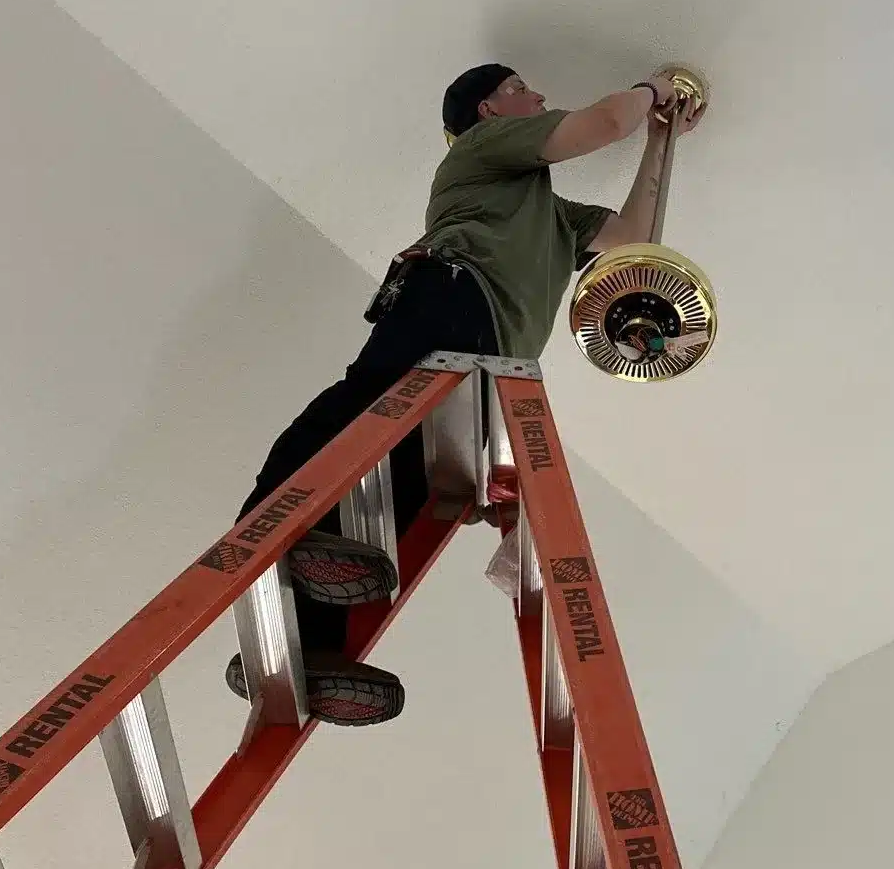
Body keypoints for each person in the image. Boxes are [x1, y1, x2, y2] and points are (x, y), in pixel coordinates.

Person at [225, 61, 703, 725]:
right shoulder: (484, 152)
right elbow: (603, 123)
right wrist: (655, 87)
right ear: (487, 112)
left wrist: (660, 136)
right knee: (371, 406)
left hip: (494, 363)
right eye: (522, 90)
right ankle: (269, 528)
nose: (538, 96)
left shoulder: (550, 215)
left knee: (411, 486)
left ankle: (308, 649)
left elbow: (634, 243)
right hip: (452, 293)